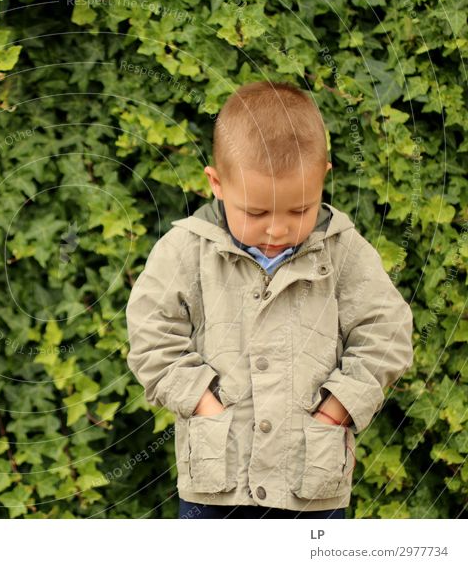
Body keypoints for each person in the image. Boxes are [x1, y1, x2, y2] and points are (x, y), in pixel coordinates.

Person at [125, 80, 414, 519]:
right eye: (256, 213)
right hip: (215, 484)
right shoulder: (185, 250)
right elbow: (151, 336)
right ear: (216, 184)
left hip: (311, 479)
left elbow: (387, 334)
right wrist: (203, 402)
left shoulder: (345, 252)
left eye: (300, 210)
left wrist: (335, 412)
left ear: (324, 177)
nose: (277, 230)